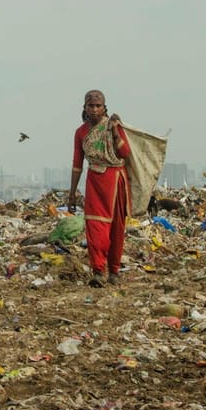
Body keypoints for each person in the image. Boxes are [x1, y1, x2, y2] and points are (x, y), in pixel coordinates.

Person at [68, 90, 132, 287]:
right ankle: (98, 270)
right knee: (96, 226)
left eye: (98, 106)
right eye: (91, 106)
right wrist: (72, 193)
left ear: (104, 108)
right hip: (95, 181)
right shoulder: (80, 133)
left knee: (116, 227)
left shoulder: (113, 126)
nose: (95, 110)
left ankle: (113, 271)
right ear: (85, 108)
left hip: (115, 181)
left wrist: (114, 131)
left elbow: (125, 153)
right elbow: (77, 164)